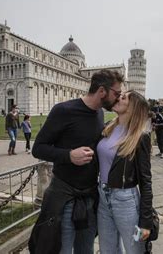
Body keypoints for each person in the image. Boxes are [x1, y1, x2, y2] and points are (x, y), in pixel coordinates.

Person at [28, 69, 124, 254]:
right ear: (102, 91)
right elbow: (38, 148)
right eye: (116, 94)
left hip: (89, 196)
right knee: (63, 250)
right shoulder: (64, 110)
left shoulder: (99, 114)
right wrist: (69, 155)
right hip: (65, 197)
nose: (118, 98)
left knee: (86, 249)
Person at [97, 91, 153, 253]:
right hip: (103, 196)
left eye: (123, 98)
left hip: (125, 200)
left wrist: (145, 221)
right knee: (107, 249)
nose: (117, 98)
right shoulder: (108, 127)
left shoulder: (140, 137)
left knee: (134, 249)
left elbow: (146, 181)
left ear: (132, 108)